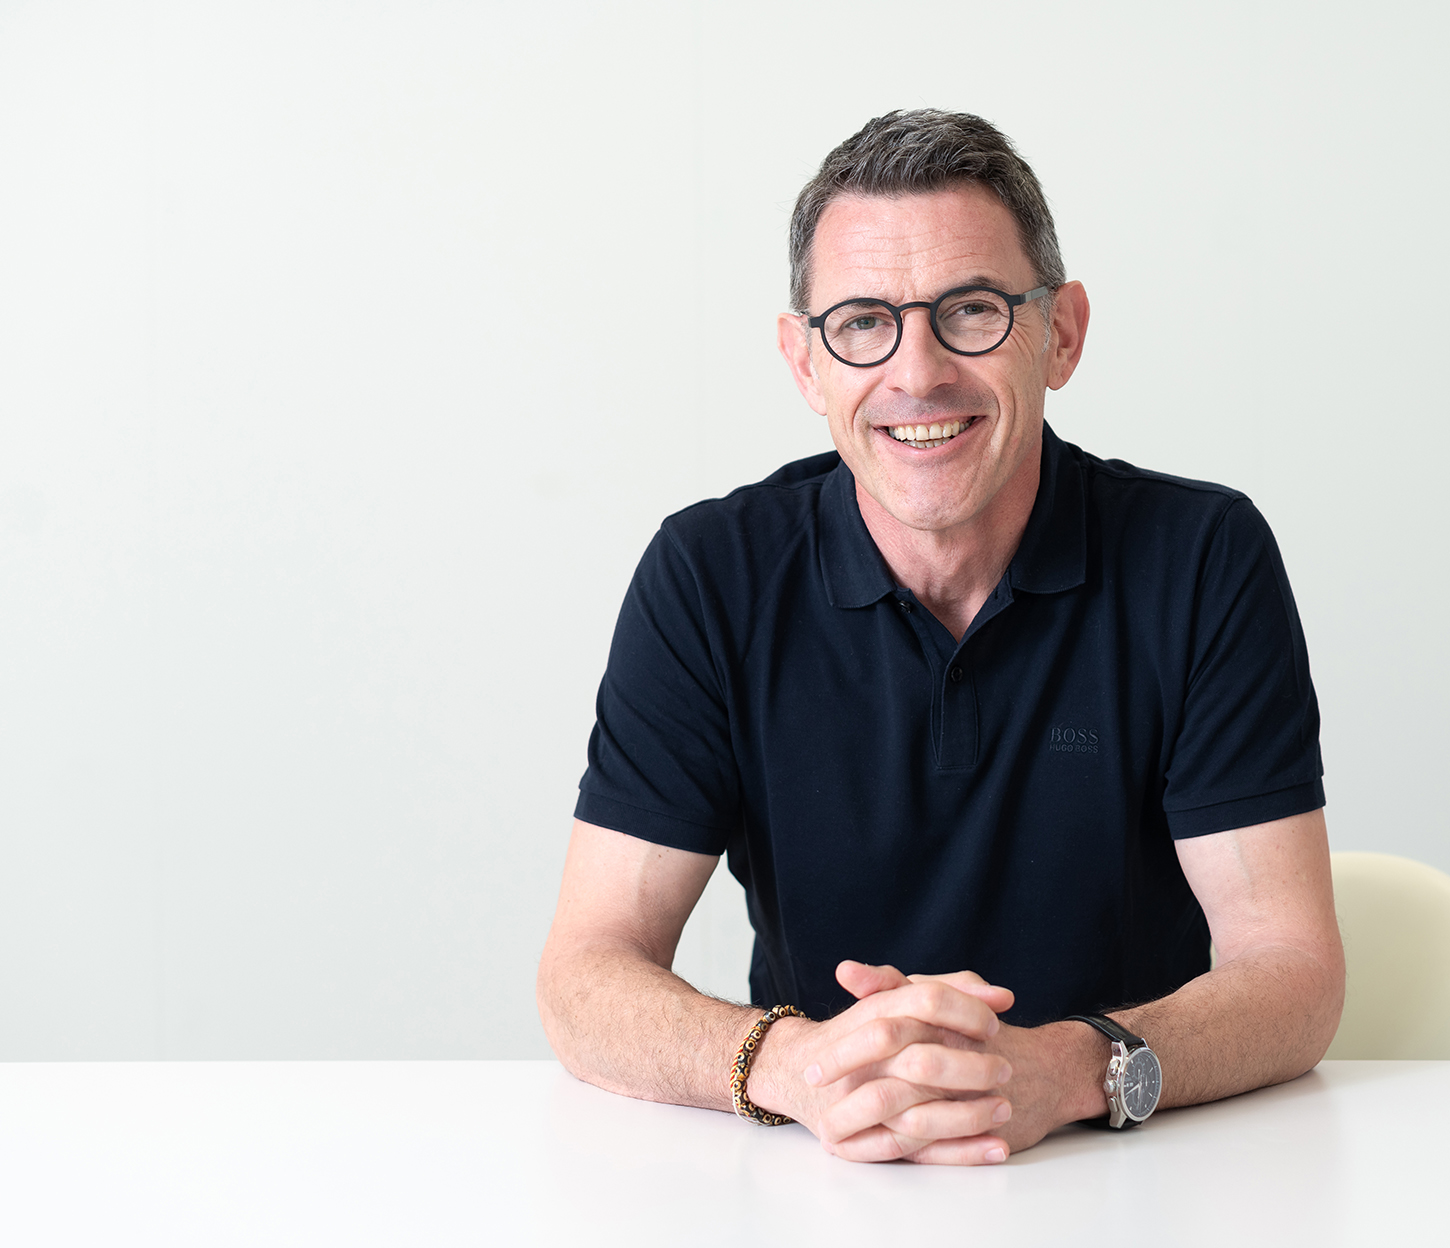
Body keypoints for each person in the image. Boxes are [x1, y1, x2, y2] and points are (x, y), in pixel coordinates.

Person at [536, 109, 1344, 1166]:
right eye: (862, 323)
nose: (916, 374)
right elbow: (586, 975)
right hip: (823, 1174)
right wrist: (802, 1068)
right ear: (804, 362)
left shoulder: (1200, 558)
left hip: (1143, 1171)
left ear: (1062, 334)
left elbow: (1294, 974)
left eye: (971, 311)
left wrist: (1063, 1072)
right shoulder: (709, 575)